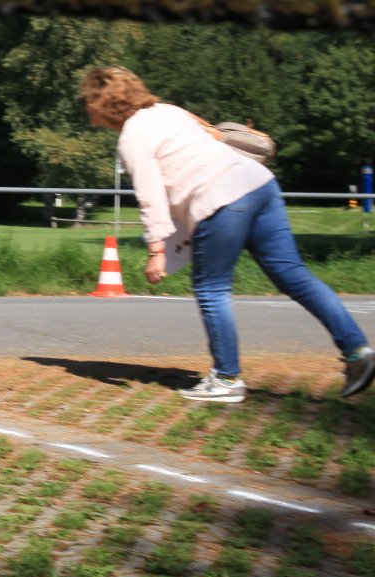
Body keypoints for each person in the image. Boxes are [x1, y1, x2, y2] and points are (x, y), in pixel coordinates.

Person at [79, 66, 374, 403]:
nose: (88, 114)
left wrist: (156, 249)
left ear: (104, 104)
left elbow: (150, 195)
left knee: (211, 289)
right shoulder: (167, 111)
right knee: (295, 276)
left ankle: (226, 378)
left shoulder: (132, 137)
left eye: (89, 104)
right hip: (259, 183)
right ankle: (358, 352)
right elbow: (214, 137)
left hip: (221, 199)